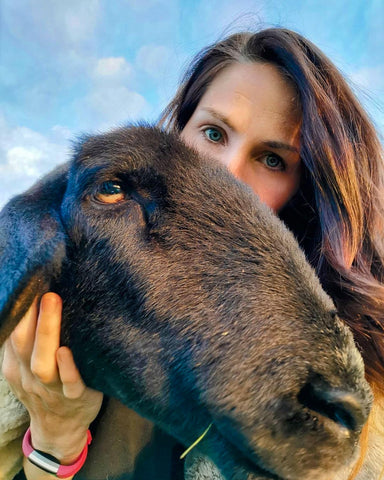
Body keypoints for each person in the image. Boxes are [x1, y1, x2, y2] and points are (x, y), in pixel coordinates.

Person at [2, 27, 384, 480]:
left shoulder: (346, 378)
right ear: (179, 129)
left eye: (273, 159)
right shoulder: (76, 282)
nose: (228, 172)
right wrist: (54, 437)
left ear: (306, 190)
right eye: (213, 132)